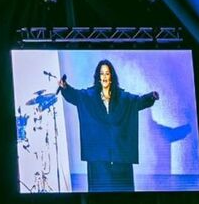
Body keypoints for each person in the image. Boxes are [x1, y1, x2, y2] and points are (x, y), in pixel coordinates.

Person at [59, 59, 159, 191]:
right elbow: (75, 96)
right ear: (98, 77)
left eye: (107, 73)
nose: (104, 77)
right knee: (99, 193)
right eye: (102, 73)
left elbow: (138, 102)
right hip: (98, 158)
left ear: (112, 76)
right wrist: (65, 87)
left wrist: (151, 97)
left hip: (120, 156)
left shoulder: (123, 97)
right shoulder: (88, 96)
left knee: (123, 194)